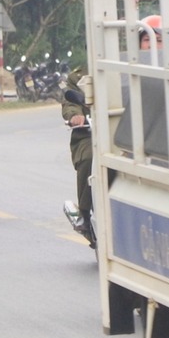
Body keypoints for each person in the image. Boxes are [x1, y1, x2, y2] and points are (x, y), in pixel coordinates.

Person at [61, 64, 93, 230]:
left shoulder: (129, 68)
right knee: (91, 158)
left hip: (129, 135)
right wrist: (75, 115)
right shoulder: (78, 77)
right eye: (148, 40)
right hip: (89, 134)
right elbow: (69, 103)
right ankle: (85, 215)